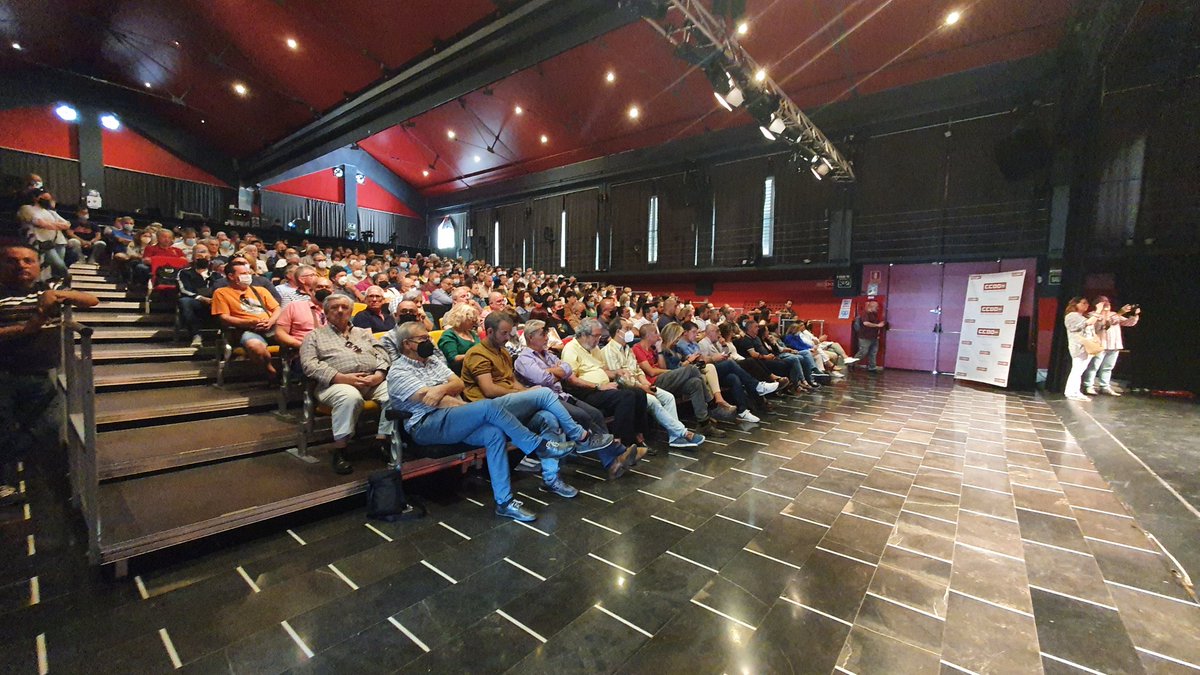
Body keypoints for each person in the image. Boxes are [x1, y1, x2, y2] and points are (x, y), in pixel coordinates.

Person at [387, 321, 584, 522]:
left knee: (493, 433)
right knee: (488, 407)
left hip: (454, 417)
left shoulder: (433, 362)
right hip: (426, 425)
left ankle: (504, 502)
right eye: (423, 339)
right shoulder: (398, 372)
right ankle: (538, 445)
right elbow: (431, 401)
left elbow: (457, 383)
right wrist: (453, 398)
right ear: (407, 344)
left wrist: (439, 389)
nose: (429, 342)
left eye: (429, 337)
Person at [461, 313, 614, 497]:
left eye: (510, 333)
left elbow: (512, 382)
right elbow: (489, 390)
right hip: (489, 406)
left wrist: (526, 392)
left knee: (548, 419)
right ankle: (580, 436)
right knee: (543, 391)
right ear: (490, 331)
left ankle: (551, 479)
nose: (508, 337)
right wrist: (528, 393)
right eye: (504, 333)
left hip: (508, 403)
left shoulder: (502, 352)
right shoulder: (477, 354)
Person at [0, 244, 99, 505]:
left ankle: (14, 464)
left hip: (42, 373)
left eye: (27, 260)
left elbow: (92, 300)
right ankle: (5, 483)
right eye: (13, 261)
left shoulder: (48, 288)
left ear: (37, 264)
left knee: (48, 426)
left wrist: (57, 295)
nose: (21, 266)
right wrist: (30, 326)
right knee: (3, 427)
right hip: (4, 373)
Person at [300, 294, 393, 474]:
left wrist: (380, 374)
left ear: (351, 311)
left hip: (371, 381)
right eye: (334, 307)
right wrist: (340, 377)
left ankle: (382, 440)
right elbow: (309, 365)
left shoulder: (362, 333)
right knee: (350, 397)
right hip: (334, 384)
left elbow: (382, 353)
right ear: (326, 312)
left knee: (395, 392)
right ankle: (340, 449)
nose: (340, 310)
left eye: (344, 307)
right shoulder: (314, 336)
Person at [600, 318, 705, 449]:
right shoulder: (609, 351)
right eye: (627, 329)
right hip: (629, 390)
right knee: (654, 402)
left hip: (641, 384)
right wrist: (642, 386)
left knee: (668, 397)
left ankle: (674, 437)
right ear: (617, 332)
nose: (631, 332)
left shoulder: (627, 348)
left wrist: (645, 383)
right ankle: (683, 432)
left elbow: (637, 370)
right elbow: (621, 379)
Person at [632, 323, 730, 438]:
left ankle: (704, 423)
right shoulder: (637, 349)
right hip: (653, 383)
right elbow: (651, 372)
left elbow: (662, 368)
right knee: (692, 369)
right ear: (648, 335)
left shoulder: (653, 349)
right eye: (655, 333)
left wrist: (659, 351)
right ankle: (712, 405)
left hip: (664, 379)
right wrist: (670, 372)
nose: (659, 336)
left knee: (695, 383)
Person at [211, 260, 282, 379]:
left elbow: (277, 309)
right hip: (246, 330)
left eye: (248, 273)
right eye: (243, 273)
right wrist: (249, 322)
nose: (248, 276)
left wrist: (270, 321)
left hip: (271, 327)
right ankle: (270, 370)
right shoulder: (221, 293)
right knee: (256, 348)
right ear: (231, 276)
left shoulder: (260, 290)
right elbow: (224, 317)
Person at [1082, 296, 1139, 396]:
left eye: (1108, 301)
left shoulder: (1113, 314)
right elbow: (1104, 325)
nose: (1107, 303)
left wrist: (1135, 315)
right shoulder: (1092, 315)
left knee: (1108, 367)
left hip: (1114, 345)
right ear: (1097, 304)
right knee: (1094, 366)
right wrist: (1120, 313)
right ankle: (1088, 386)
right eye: (1103, 301)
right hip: (1099, 345)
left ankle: (1104, 386)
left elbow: (1129, 323)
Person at [16, 192, 70, 279]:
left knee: (51, 266)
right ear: (37, 198)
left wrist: (51, 225)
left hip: (54, 241)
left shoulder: (50, 212)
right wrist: (55, 225)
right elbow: (40, 223)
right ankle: (67, 277)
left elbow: (67, 224)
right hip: (40, 241)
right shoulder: (27, 208)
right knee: (59, 264)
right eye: (45, 198)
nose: (48, 201)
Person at [275, 276, 332, 349]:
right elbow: (280, 333)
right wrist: (302, 346)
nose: (324, 289)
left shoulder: (339, 310)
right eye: (319, 287)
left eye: (327, 287)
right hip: (302, 349)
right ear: (311, 291)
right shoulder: (294, 307)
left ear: (333, 292)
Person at [178, 246, 217, 348]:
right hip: (194, 301)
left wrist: (215, 299)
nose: (203, 256)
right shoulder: (185, 273)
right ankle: (196, 335)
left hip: (215, 302)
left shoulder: (216, 275)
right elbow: (184, 290)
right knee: (184, 301)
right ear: (193, 257)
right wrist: (201, 298)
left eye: (205, 254)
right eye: (199, 254)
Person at [1063, 296, 1099, 401]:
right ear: (1075, 304)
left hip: (1087, 347)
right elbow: (1086, 324)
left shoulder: (1084, 316)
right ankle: (1071, 392)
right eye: (1083, 303)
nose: (1086, 305)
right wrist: (1099, 310)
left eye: (1087, 303)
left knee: (1080, 370)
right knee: (1077, 369)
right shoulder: (1072, 316)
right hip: (1078, 347)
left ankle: (1075, 391)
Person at [437, 302, 481, 375]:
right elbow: (453, 359)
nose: (474, 322)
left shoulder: (472, 333)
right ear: (461, 319)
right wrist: (474, 354)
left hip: (477, 367)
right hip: (461, 372)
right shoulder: (448, 335)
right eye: (472, 320)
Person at [853, 301, 886, 372]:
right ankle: (851, 364)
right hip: (865, 337)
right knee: (863, 352)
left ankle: (872, 367)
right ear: (872, 307)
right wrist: (878, 325)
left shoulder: (874, 314)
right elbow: (866, 323)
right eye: (876, 307)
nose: (878, 308)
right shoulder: (865, 314)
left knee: (873, 353)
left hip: (873, 336)